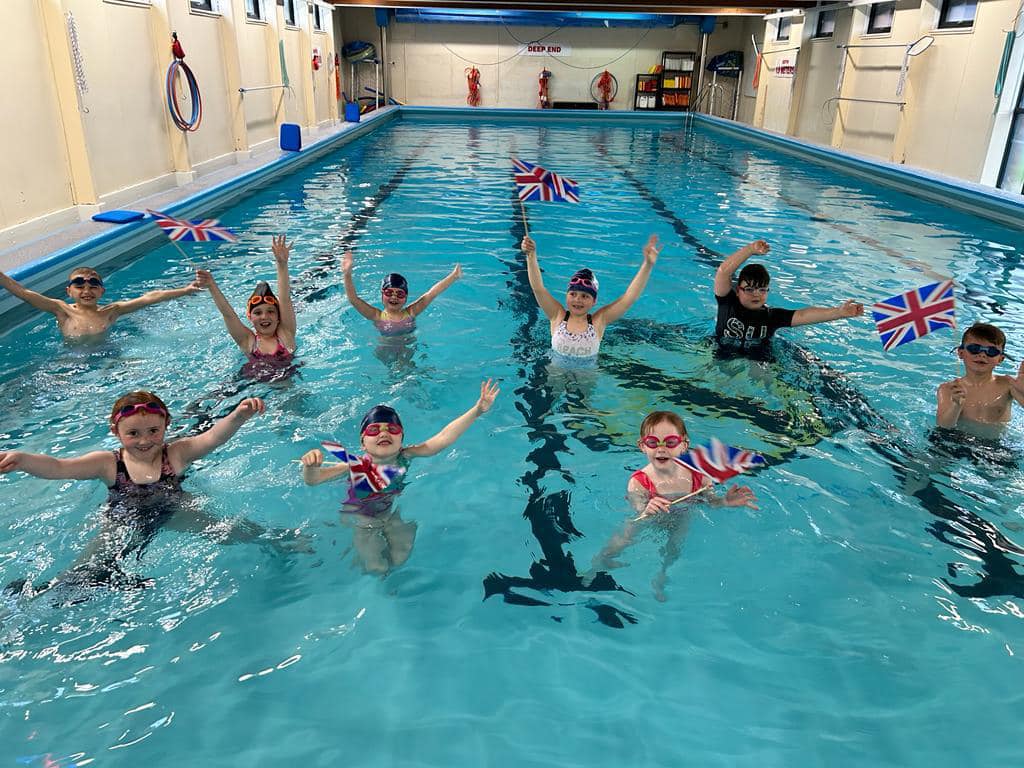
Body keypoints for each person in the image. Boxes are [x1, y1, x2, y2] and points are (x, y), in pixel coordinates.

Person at [0, 391, 281, 598]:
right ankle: (31, 598)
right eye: (133, 433)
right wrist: (23, 459)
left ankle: (282, 543)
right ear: (116, 431)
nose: (145, 440)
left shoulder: (176, 453)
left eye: (153, 431)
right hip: (122, 519)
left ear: (166, 426)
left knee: (233, 530)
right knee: (82, 571)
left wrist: (239, 415)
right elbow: (59, 467)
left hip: (174, 510)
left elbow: (213, 437)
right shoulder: (108, 462)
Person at [299, 379, 500, 574]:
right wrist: (311, 467)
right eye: (374, 430)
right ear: (363, 443)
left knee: (400, 558)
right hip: (363, 521)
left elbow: (443, 438)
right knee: (377, 567)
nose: (384, 433)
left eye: (392, 429)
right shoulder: (354, 466)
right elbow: (313, 480)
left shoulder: (406, 455)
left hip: (390, 513)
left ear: (401, 439)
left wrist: (477, 411)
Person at [589, 410, 757, 601]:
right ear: (642, 446)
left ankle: (661, 574)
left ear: (684, 445)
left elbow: (710, 502)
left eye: (670, 442)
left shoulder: (699, 476)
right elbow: (637, 511)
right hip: (648, 519)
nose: (661, 449)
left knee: (674, 548)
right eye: (653, 442)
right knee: (624, 538)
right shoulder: (639, 481)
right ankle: (599, 562)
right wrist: (646, 508)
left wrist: (725, 501)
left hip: (682, 515)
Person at [713, 239, 864, 357]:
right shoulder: (727, 302)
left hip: (759, 357)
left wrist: (838, 312)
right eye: (749, 289)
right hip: (723, 350)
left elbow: (803, 315)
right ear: (737, 290)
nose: (756, 294)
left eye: (762, 289)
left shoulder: (772, 316)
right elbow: (723, 272)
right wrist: (750, 249)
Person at [521, 234, 660, 361]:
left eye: (585, 296)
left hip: (586, 381)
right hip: (555, 378)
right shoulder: (557, 316)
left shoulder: (598, 321)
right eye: (573, 294)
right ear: (566, 295)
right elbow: (538, 288)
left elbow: (628, 298)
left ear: (594, 301)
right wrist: (531, 255)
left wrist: (647, 265)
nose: (577, 299)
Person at [0, 266, 202, 340]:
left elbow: (150, 297)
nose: (86, 290)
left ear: (102, 291)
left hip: (109, 357)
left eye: (93, 285)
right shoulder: (61, 310)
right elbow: (24, 293)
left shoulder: (112, 311)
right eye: (79, 285)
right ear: (69, 291)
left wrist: (185, 290)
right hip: (72, 361)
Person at [196, 235, 297, 380]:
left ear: (278, 316)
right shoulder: (248, 341)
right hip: (251, 385)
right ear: (250, 317)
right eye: (258, 312)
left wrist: (282, 264)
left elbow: (285, 299)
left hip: (286, 386)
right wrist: (212, 286)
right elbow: (229, 315)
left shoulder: (285, 334)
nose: (264, 316)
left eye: (270, 311)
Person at [342, 250, 461, 336]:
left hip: (408, 347)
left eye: (400, 294)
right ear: (382, 294)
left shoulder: (411, 312)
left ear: (406, 297)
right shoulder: (377, 316)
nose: (394, 297)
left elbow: (431, 294)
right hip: (385, 349)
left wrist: (453, 276)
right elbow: (353, 299)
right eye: (389, 292)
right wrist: (347, 274)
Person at [937, 322, 1024, 433]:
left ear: (1000, 359)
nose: (982, 355)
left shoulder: (1007, 385)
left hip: (994, 447)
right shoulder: (949, 389)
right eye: (974, 349)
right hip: (956, 439)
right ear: (961, 353)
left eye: (991, 351)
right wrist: (956, 405)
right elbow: (943, 426)